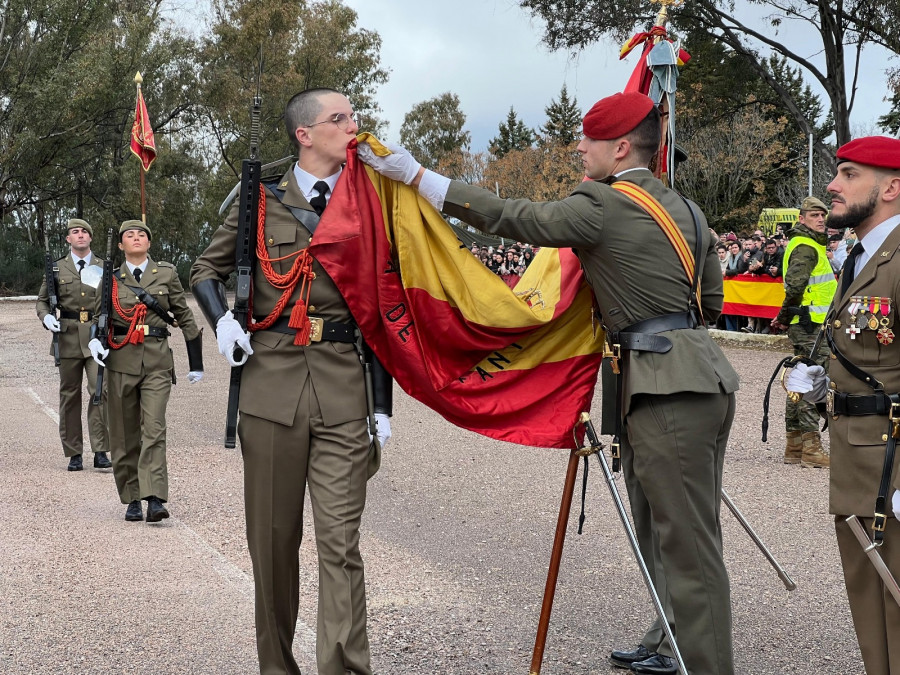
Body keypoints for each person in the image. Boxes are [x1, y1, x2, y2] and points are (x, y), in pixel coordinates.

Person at [359, 91, 739, 675]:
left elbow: (513, 216)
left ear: (619, 148)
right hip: (692, 375)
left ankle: (706, 665)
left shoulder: (602, 204)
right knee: (664, 525)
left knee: (688, 544)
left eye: (587, 140)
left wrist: (416, 175)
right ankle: (670, 640)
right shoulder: (687, 209)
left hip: (664, 386)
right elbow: (708, 301)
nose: (579, 148)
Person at [190, 87, 393, 675]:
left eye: (353, 116)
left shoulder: (369, 203)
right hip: (272, 386)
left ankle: (344, 669)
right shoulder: (260, 203)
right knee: (274, 547)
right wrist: (222, 318)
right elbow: (208, 268)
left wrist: (382, 402)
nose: (353, 127)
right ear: (304, 134)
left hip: (341, 389)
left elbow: (382, 303)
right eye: (340, 118)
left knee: (341, 546)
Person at [786, 136, 900, 675]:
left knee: (898, 599)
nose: (832, 186)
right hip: (860, 454)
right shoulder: (861, 254)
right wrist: (821, 381)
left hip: (893, 464)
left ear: (891, 186)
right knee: (869, 594)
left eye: (849, 174)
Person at [88, 220, 204, 522]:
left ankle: (154, 497)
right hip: (121, 361)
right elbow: (100, 318)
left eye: (142, 235)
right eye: (130, 235)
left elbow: (183, 314)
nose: (136, 238)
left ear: (149, 243)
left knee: (154, 428)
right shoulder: (111, 278)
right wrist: (95, 342)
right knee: (124, 434)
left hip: (156, 361)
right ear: (121, 245)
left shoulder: (165, 273)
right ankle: (131, 498)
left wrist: (197, 362)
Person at [36, 218, 111, 471]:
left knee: (99, 390)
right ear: (68, 239)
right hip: (67, 337)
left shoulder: (104, 266)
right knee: (69, 396)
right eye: (74, 232)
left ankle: (101, 450)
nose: (80, 235)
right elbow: (42, 301)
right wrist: (46, 317)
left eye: (84, 232)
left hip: (95, 338)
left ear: (90, 238)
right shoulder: (56, 268)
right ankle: (74, 452)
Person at [770, 196, 835, 467]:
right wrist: (784, 317)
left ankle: (794, 446)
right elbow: (795, 287)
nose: (820, 219)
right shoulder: (807, 246)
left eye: (823, 215)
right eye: (814, 215)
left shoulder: (806, 244)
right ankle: (811, 449)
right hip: (811, 325)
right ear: (801, 218)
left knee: (798, 381)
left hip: (808, 324)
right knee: (811, 382)